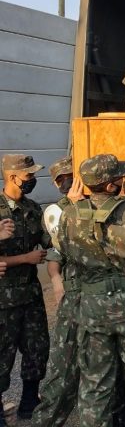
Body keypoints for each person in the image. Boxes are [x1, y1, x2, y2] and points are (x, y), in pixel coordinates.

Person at [57, 154, 125, 426]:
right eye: (120, 177)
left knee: (95, 384)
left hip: (93, 310)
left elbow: (65, 251)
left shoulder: (69, 215)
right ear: (111, 185)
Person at [32, 157, 125, 427]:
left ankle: (118, 416)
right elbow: (58, 250)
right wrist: (56, 280)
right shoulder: (60, 211)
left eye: (72, 175)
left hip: (106, 299)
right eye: (62, 178)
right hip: (76, 297)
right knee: (64, 369)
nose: (69, 182)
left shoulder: (108, 206)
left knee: (111, 367)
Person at [0, 154, 50, 425]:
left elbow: (47, 239)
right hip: (3, 299)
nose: (33, 179)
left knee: (37, 348)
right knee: (2, 354)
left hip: (30, 295)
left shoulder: (33, 208)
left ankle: (29, 402)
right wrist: (25, 259)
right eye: (29, 175)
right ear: (12, 177)